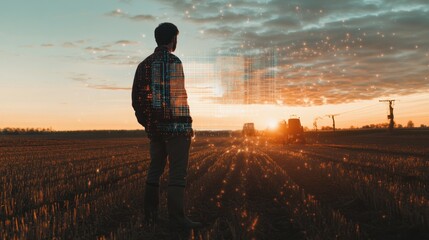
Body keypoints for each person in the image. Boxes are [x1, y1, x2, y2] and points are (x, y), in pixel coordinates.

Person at [131, 22, 202, 232]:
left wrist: (149, 123)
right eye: (176, 38)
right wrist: (186, 125)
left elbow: (137, 99)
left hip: (155, 129)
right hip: (175, 129)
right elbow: (178, 97)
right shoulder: (174, 61)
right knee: (177, 173)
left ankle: (150, 217)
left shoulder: (143, 64)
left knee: (154, 171)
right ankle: (177, 219)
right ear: (173, 39)